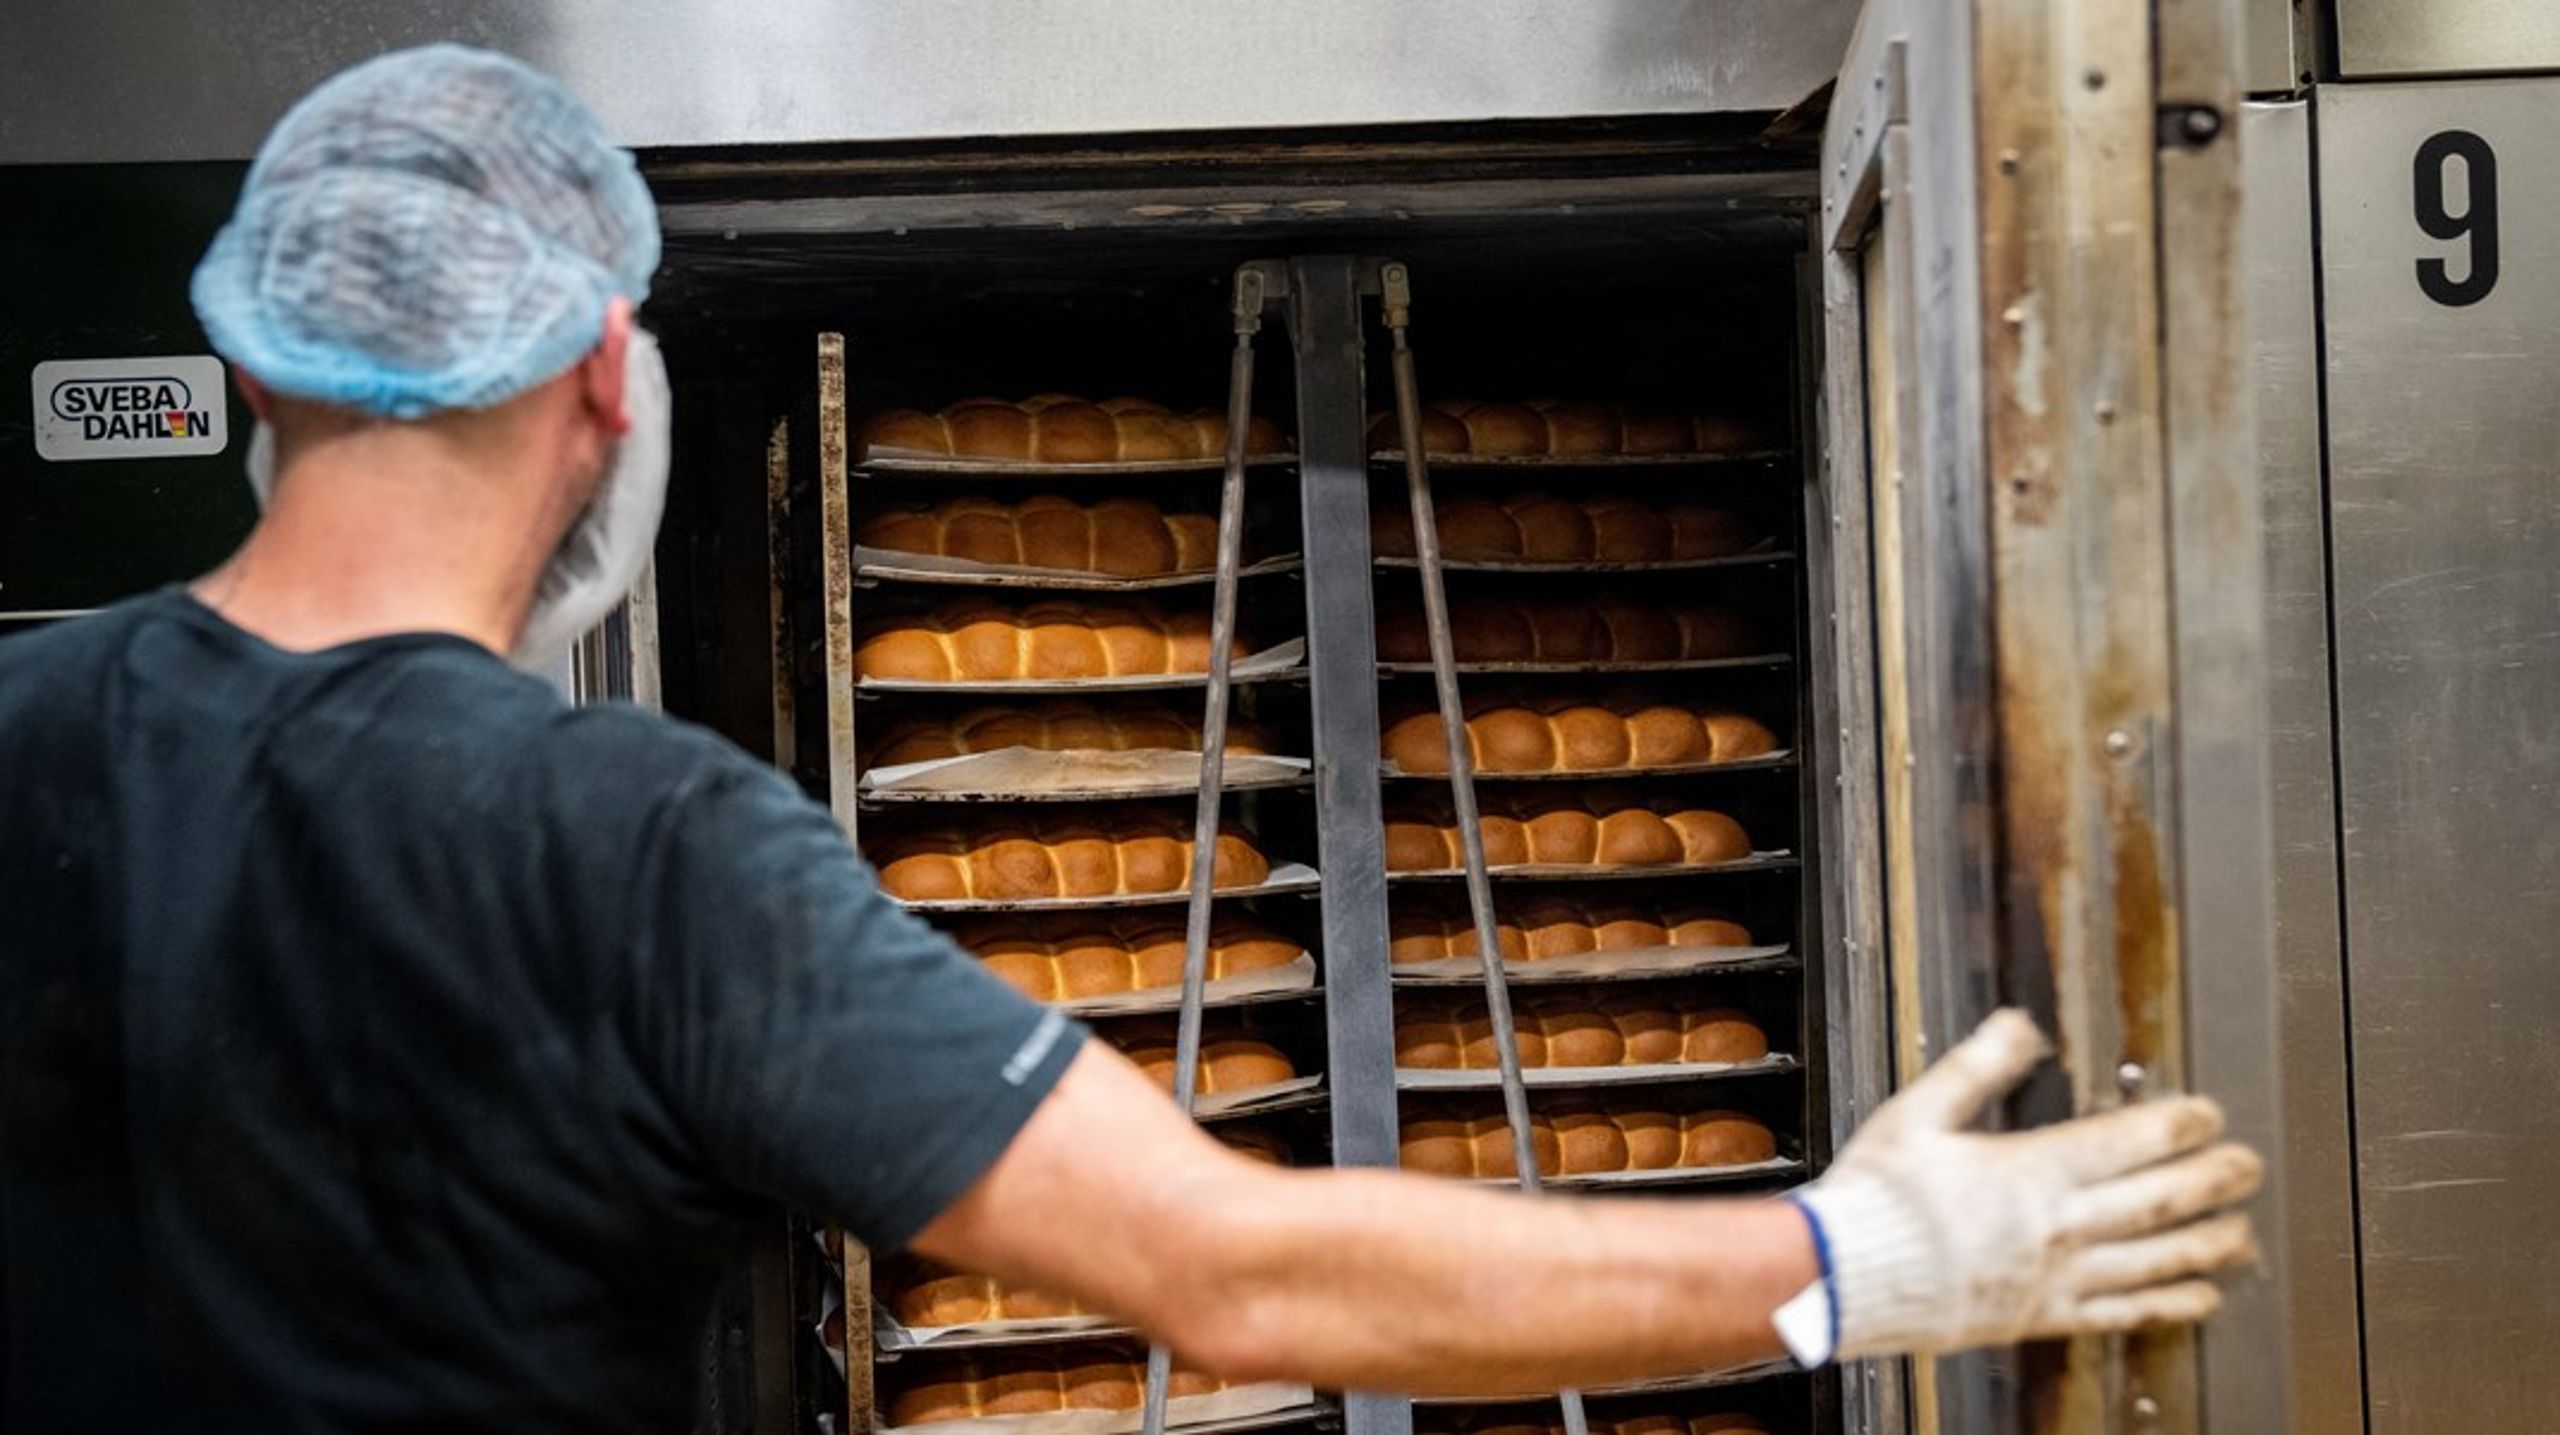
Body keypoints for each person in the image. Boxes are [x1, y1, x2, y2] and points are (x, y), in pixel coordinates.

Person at [0, 45, 2263, 1431]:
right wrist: (1849, 1254)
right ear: (610, 382)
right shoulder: (631, 843)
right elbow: (1236, 1271)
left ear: (258, 373)